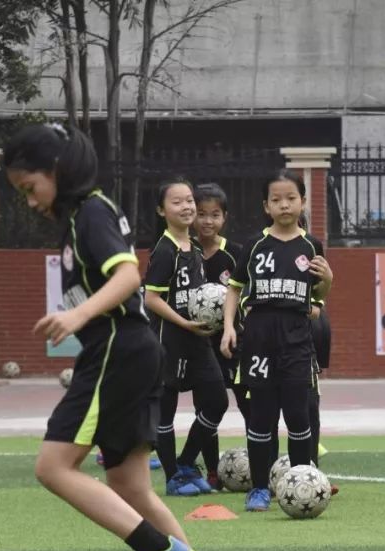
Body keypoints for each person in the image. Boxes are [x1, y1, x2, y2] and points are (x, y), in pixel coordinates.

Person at [3, 123, 227, 551]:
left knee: (53, 467)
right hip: (132, 351)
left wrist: (78, 317)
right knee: (128, 482)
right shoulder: (82, 217)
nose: (29, 201)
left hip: (115, 350)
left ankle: (158, 550)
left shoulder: (91, 213)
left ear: (57, 171)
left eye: (29, 187)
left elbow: (128, 274)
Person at [221, 170, 333, 511]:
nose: (284, 204)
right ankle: (258, 488)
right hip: (260, 337)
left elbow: (318, 298)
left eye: (291, 198)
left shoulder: (312, 245)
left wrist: (328, 280)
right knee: (262, 415)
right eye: (276, 199)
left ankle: (304, 480)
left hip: (297, 337)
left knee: (299, 414)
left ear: (302, 202)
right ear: (266, 206)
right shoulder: (254, 245)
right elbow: (235, 288)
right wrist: (228, 326)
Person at [143, 179, 230, 496]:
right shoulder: (164, 250)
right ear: (161, 210)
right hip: (169, 341)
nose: (187, 207)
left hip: (197, 339)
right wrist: (184, 322)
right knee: (165, 413)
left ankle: (185, 461)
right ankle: (173, 479)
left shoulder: (192, 248)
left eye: (189, 200)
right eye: (177, 202)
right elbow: (150, 298)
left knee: (218, 401)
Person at [192, 183, 249, 490]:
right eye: (201, 214)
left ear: (224, 217)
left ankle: (260, 465)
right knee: (208, 408)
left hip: (233, 343)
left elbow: (247, 295)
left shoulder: (235, 254)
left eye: (214, 214)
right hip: (199, 345)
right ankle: (212, 471)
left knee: (249, 405)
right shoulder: (185, 253)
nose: (207, 221)